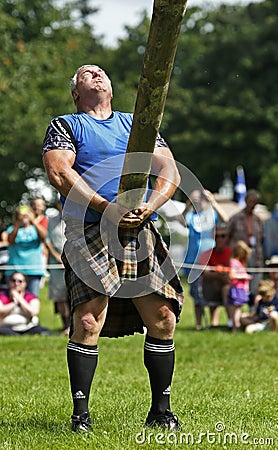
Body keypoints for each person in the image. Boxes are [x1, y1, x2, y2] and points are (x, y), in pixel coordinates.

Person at [42, 64, 184, 432]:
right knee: (88, 319)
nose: (97, 74)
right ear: (76, 92)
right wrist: (107, 208)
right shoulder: (66, 125)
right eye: (86, 73)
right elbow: (59, 171)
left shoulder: (136, 124)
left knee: (164, 317)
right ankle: (81, 417)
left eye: (102, 71)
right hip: (89, 226)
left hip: (139, 227)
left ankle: (161, 412)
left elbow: (170, 170)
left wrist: (149, 206)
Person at [182, 189, 228, 330]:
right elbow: (180, 220)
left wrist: (213, 201)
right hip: (193, 258)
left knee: (212, 288)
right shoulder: (191, 215)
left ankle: (214, 321)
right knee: (197, 292)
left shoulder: (211, 214)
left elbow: (226, 219)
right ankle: (198, 323)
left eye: (201, 198)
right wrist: (189, 203)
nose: (199, 201)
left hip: (210, 257)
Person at [227, 189, 264, 303]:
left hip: (256, 255)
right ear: (246, 201)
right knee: (240, 286)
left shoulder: (258, 220)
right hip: (240, 258)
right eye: (250, 201)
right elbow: (227, 236)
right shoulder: (236, 218)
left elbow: (262, 239)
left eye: (255, 202)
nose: (252, 205)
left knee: (255, 284)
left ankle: (253, 309)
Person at [6, 205, 46, 297]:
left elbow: (44, 236)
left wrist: (33, 221)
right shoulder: (12, 229)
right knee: (13, 299)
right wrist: (17, 223)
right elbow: (10, 240)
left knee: (32, 298)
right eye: (21, 215)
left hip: (34, 270)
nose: (24, 217)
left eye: (26, 215)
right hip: (14, 271)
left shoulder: (35, 229)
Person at [199, 224, 232, 328]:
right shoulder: (206, 254)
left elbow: (234, 273)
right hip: (211, 288)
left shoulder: (232, 253)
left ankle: (231, 322)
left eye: (223, 236)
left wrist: (217, 275)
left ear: (227, 238)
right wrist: (220, 275)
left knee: (226, 288)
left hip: (229, 288)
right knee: (215, 283)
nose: (219, 239)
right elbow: (205, 273)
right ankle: (213, 322)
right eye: (217, 236)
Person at [45, 199, 70, 334]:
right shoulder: (52, 220)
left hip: (73, 261)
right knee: (59, 295)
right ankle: (65, 325)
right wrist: (56, 256)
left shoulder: (75, 217)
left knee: (71, 294)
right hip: (56, 263)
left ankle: (74, 325)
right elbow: (47, 240)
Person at [227, 240, 252, 332]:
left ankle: (236, 326)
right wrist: (244, 276)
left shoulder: (240, 263)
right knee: (236, 309)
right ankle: (235, 327)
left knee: (238, 309)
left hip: (240, 289)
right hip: (237, 289)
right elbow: (232, 276)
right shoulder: (234, 262)